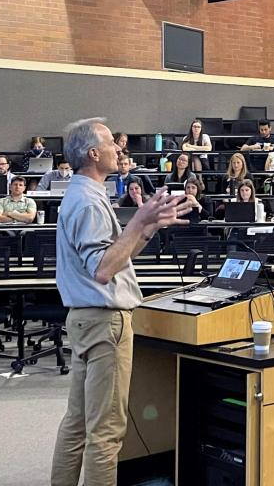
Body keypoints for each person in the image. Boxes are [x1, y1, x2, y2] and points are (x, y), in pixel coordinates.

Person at [51, 117, 190, 486]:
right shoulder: (89, 201)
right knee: (106, 431)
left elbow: (118, 256)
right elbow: (102, 269)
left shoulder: (85, 194)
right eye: (112, 143)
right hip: (104, 323)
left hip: (87, 319)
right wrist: (136, 222)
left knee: (78, 423)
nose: (119, 149)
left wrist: (147, 227)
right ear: (93, 153)